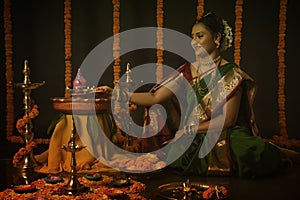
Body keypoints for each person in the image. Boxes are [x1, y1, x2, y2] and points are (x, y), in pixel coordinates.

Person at [99, 12, 299, 177]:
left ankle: (290, 155)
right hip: (193, 135)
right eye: (192, 36)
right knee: (168, 156)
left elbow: (228, 119)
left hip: (226, 135)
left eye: (200, 36)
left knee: (250, 152)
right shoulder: (188, 71)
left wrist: (191, 129)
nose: (193, 42)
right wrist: (116, 94)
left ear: (217, 38)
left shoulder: (231, 73)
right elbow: (154, 98)